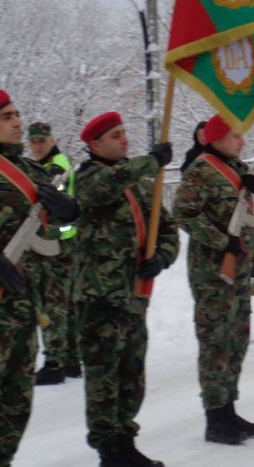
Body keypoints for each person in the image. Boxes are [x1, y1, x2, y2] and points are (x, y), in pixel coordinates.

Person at [75, 111, 178, 467]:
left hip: (135, 296)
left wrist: (163, 256)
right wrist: (151, 161)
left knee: (132, 372)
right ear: (94, 145)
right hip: (100, 298)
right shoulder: (88, 179)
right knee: (104, 374)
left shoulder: (141, 184)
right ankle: (109, 447)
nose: (124, 140)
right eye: (115, 135)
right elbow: (105, 187)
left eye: (124, 133)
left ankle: (125, 439)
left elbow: (167, 228)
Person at [173, 114, 254, 445]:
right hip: (213, 275)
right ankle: (215, 417)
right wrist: (220, 240)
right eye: (235, 136)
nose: (241, 142)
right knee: (216, 344)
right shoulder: (199, 172)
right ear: (216, 138)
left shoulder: (237, 168)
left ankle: (228, 408)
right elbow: (182, 213)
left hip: (241, 273)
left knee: (236, 342)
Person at [0, 90, 79, 466]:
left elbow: (49, 234)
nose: (17, 122)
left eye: (16, 113)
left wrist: (67, 211)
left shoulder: (33, 173)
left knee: (16, 406)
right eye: (6, 117)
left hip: (22, 310)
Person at [27, 121, 82, 385]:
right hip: (62, 242)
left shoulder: (57, 164)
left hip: (58, 244)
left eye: (41, 141)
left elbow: (48, 190)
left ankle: (54, 362)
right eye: (34, 141)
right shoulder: (52, 163)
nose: (37, 146)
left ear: (51, 139)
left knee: (52, 305)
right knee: (66, 304)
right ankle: (71, 359)